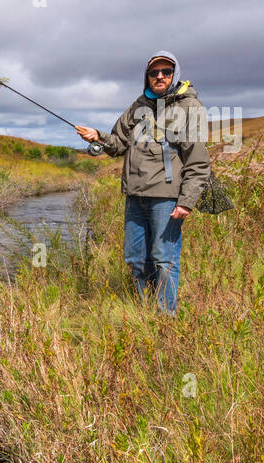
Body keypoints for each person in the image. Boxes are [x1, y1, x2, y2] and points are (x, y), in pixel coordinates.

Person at [75, 51, 210, 315]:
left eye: (166, 72)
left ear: (175, 74)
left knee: (163, 260)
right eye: (153, 72)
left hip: (167, 198)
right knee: (136, 259)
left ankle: (165, 318)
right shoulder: (138, 106)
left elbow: (198, 160)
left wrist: (187, 201)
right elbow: (117, 144)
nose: (159, 76)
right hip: (135, 196)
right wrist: (97, 137)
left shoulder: (189, 107)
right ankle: (143, 311)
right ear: (147, 76)